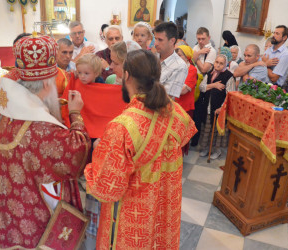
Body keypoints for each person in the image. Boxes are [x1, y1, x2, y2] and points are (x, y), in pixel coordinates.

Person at [84, 49, 197, 249]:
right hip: (165, 206)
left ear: (126, 75)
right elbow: (176, 140)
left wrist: (98, 151)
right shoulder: (178, 113)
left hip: (133, 216)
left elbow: (108, 188)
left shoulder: (123, 127)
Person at [0, 34, 91, 249]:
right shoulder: (41, 127)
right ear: (46, 83)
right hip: (40, 211)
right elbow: (75, 156)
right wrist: (75, 115)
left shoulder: (3, 111)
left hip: (12, 205)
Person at [196, 54, 235, 159]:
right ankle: (205, 148)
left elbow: (229, 95)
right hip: (207, 107)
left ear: (225, 64)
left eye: (221, 63)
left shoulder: (229, 76)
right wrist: (213, 85)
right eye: (216, 62)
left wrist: (222, 108)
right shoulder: (209, 74)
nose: (218, 65)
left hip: (218, 109)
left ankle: (216, 151)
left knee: (216, 131)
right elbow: (201, 87)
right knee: (207, 128)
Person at [154, 22, 188, 99]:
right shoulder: (152, 57)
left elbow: (165, 97)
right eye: (155, 39)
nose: (155, 43)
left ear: (172, 41)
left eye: (160, 40)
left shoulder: (180, 66)